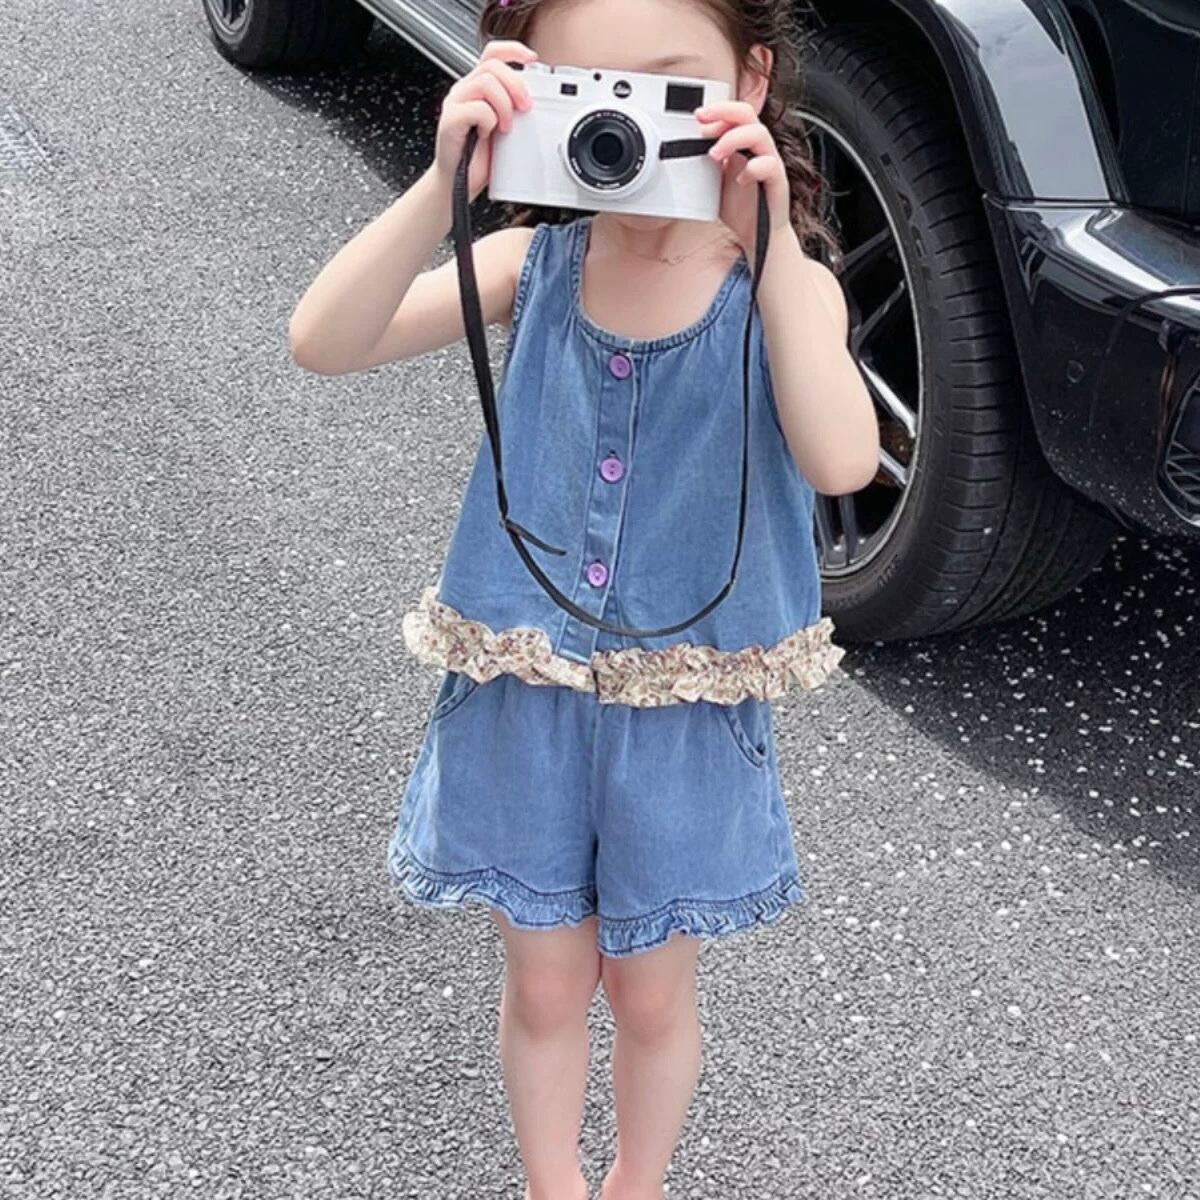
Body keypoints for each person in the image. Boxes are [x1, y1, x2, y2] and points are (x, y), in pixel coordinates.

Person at [289, 1, 878, 1195]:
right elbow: (323, 340)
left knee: (651, 992)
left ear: (750, 83)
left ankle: (635, 1182)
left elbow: (841, 460)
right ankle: (553, 1183)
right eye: (590, 91)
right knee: (548, 983)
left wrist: (770, 251)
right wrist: (442, 186)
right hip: (525, 693)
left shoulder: (783, 290)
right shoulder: (537, 263)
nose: (627, 123)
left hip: (685, 710)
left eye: (665, 88)